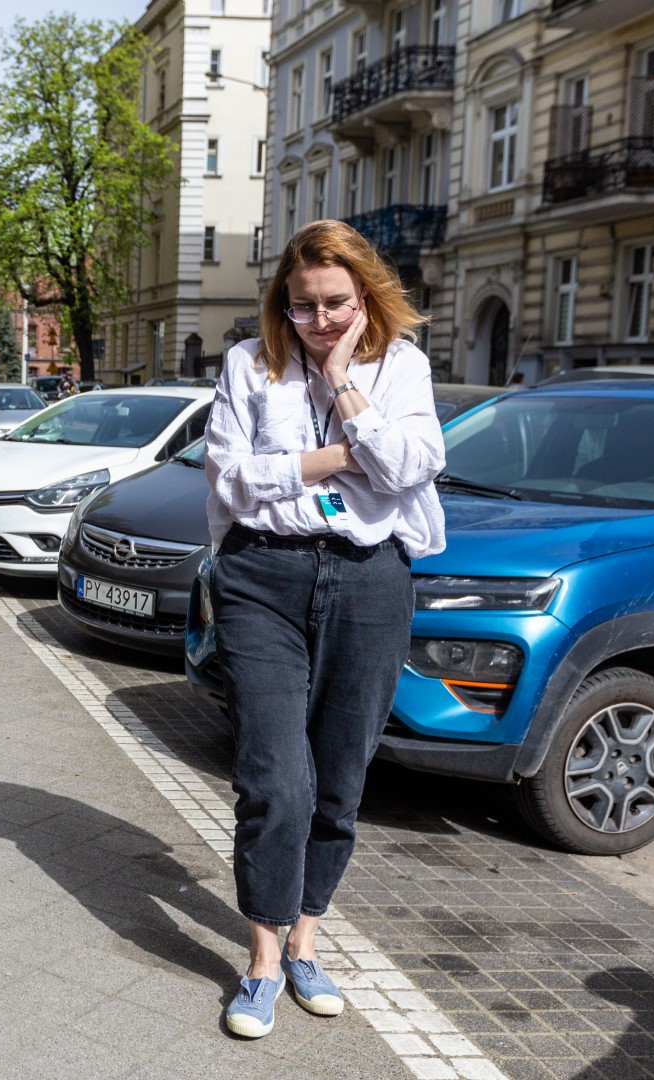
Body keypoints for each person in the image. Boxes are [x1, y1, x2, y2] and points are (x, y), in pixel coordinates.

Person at [203, 220, 446, 1037]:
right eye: (302, 305)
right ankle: (263, 959)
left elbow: (411, 465)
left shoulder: (400, 365)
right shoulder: (249, 363)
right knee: (275, 778)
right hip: (261, 576)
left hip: (370, 579)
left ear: (365, 294)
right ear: (283, 299)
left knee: (340, 777)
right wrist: (340, 457)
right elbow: (233, 482)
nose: (318, 320)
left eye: (335, 303)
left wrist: (343, 379)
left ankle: (306, 938)